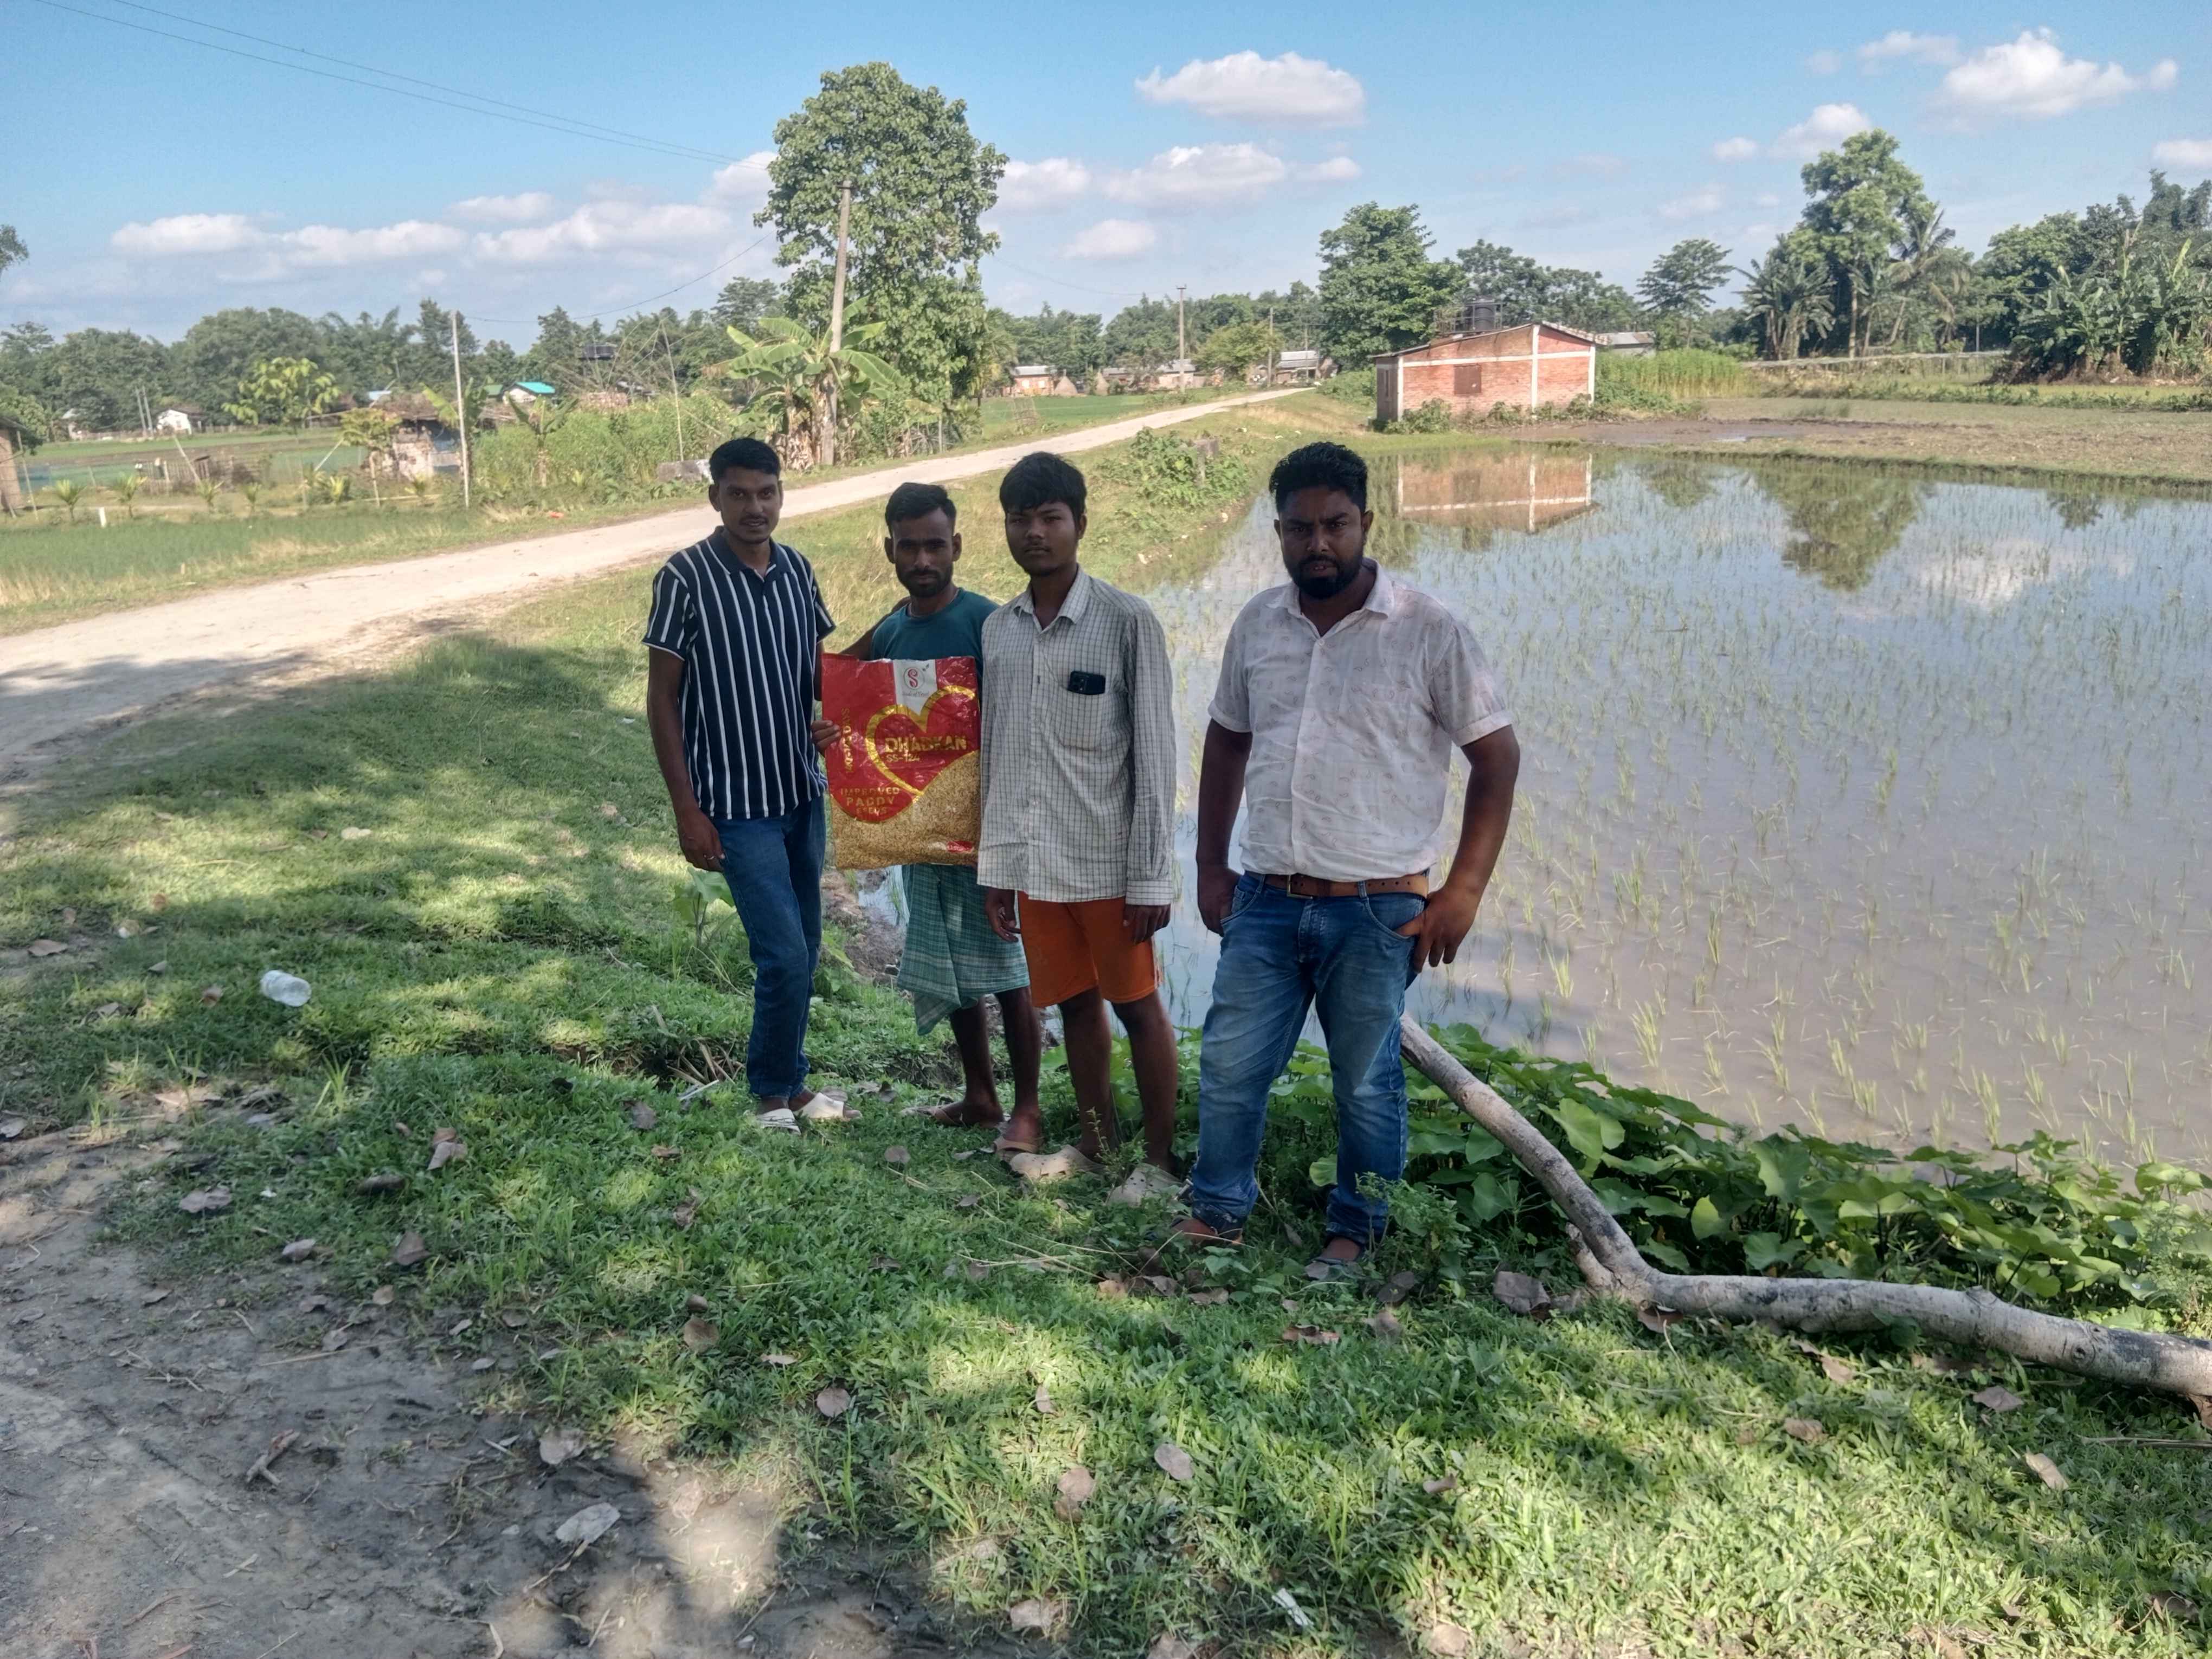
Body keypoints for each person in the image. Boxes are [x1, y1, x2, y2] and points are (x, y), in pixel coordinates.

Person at [1174, 441, 1520, 1271]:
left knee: (1366, 1082)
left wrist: (1464, 891)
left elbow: (1497, 758)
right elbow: (1227, 740)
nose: (1318, 544)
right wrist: (1211, 866)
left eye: (1335, 525)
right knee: (1229, 1062)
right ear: (1279, 533)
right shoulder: (1258, 623)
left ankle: (1355, 1232)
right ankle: (1217, 1210)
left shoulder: (1429, 629)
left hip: (1379, 907)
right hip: (1266, 896)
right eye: (1299, 529)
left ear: (1367, 521)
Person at [978, 451, 1181, 1200]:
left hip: (1108, 860)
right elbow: (998, 754)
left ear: (1080, 525)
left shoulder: (1127, 621)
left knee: (1137, 1005)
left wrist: (1152, 875)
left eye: (1050, 518)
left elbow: (1156, 755)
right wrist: (997, 869)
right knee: (1073, 1004)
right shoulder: (1000, 631)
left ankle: (1158, 1164)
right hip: (1035, 862)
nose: (1034, 533)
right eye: (1019, 520)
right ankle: (1097, 1146)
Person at [820, 481, 1045, 1143]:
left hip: (988, 832)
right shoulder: (893, 630)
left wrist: (1012, 827)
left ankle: (1027, 1108)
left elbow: (1023, 725)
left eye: (935, 546)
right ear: (890, 549)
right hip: (922, 833)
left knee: (1010, 973)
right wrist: (833, 729)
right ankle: (980, 1096)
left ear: (958, 547)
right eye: (909, 547)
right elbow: (838, 686)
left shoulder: (989, 623)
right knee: (950, 967)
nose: (923, 560)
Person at [643, 436, 840, 1121]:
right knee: (781, 953)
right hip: (735, 805)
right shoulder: (685, 577)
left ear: (781, 495)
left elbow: (816, 675)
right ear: (715, 498)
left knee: (806, 947)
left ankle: (793, 1083)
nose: (755, 508)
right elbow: (662, 699)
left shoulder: (797, 571)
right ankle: (768, 1097)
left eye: (767, 493)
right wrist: (687, 810)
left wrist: (843, 713)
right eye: (739, 494)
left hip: (800, 792)